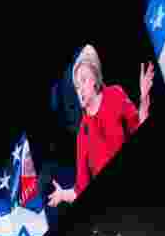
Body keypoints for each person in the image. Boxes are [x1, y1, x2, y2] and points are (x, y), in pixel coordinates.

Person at [48, 45, 155, 207]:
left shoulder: (115, 94)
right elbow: (80, 190)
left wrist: (144, 97)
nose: (80, 90)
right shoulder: (82, 134)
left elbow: (138, 124)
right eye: (77, 86)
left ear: (95, 78)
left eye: (83, 80)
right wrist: (63, 194)